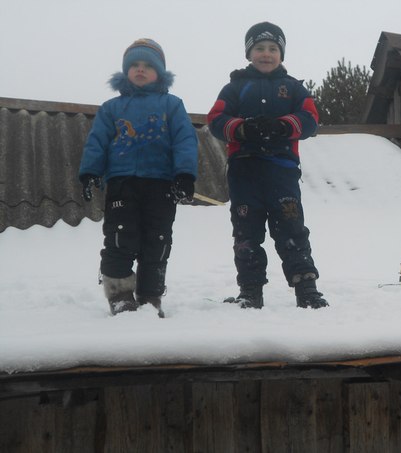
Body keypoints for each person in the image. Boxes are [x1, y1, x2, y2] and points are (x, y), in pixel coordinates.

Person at [208, 22, 328, 309]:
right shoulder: (235, 87)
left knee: (291, 227)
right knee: (246, 230)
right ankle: (250, 290)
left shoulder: (294, 88)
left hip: (281, 171)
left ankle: (306, 288)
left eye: (273, 48)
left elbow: (310, 119)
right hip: (244, 171)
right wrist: (242, 128)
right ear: (249, 53)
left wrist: (283, 126)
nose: (266, 54)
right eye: (259, 48)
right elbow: (215, 120)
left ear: (281, 54)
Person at [79, 38, 199, 317]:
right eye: (135, 65)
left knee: (158, 240)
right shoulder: (111, 108)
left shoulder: (172, 105)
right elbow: (97, 142)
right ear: (126, 71)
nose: (141, 69)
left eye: (148, 65)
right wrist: (90, 171)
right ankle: (120, 295)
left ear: (160, 73)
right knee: (120, 237)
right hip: (122, 184)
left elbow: (185, 141)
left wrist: (184, 175)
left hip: (161, 184)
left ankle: (150, 296)